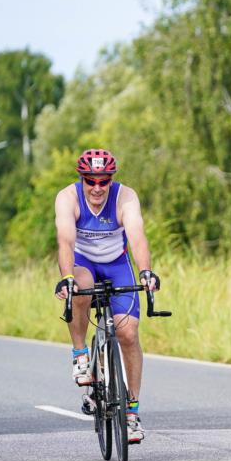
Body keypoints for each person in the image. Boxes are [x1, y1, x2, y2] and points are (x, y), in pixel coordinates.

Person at [53, 148, 160, 444]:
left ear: (111, 179)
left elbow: (137, 235)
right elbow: (65, 238)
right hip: (83, 263)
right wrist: (67, 277)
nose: (97, 188)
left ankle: (132, 412)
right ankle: (80, 355)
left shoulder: (125, 197)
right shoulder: (68, 198)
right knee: (80, 286)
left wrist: (146, 272)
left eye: (104, 181)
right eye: (91, 181)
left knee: (128, 332)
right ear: (82, 179)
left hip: (117, 265)